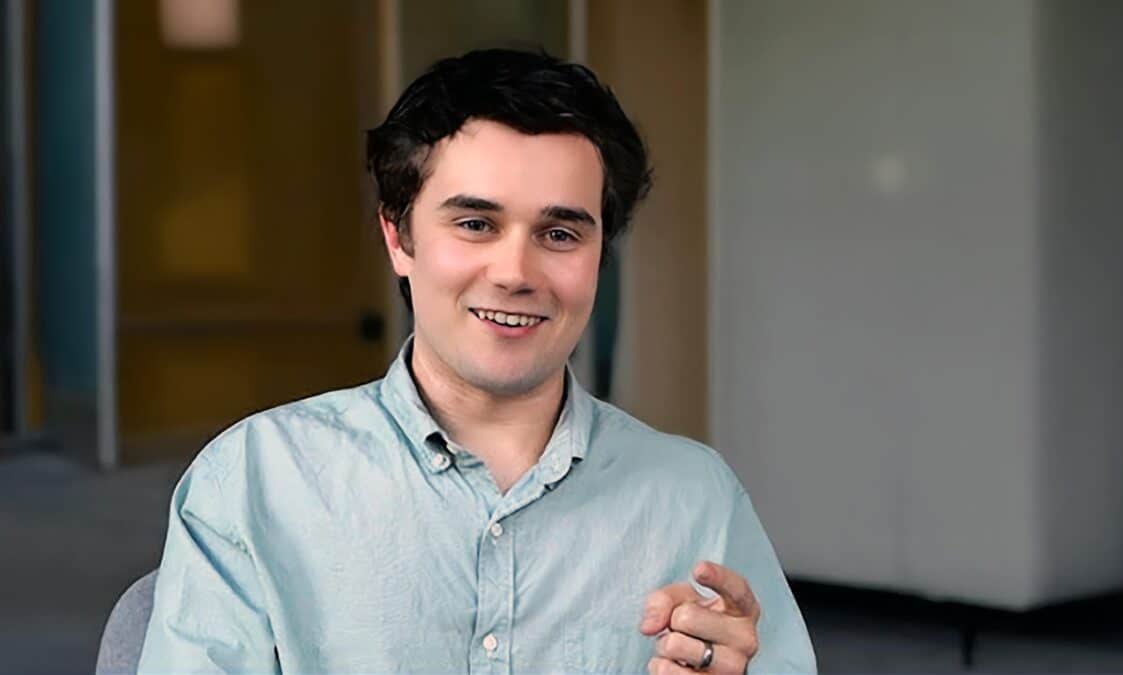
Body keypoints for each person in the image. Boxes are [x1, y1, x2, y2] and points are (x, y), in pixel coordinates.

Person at [138, 48, 816, 674]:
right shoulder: (254, 481)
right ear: (399, 238)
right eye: (475, 224)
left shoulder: (695, 498)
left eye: (559, 233)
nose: (515, 271)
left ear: (599, 254)